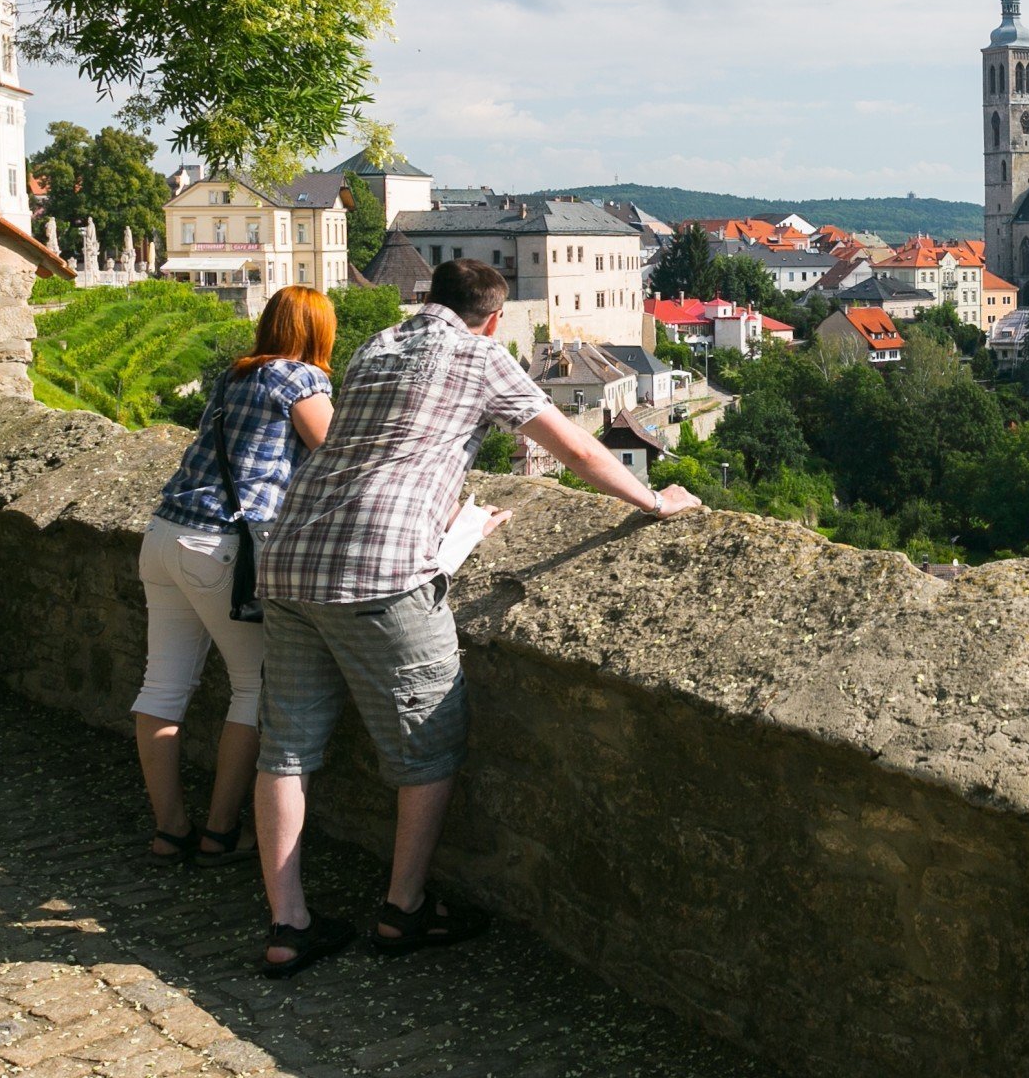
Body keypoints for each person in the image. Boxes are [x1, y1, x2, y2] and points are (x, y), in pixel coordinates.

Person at [251, 258, 700, 977]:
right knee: (428, 742)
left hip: (291, 551)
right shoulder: (484, 354)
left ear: (428, 300)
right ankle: (403, 910)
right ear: (493, 317)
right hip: (379, 566)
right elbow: (579, 448)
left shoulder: (377, 345)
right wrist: (653, 503)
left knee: (287, 746)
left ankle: (287, 922)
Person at [133, 285, 336, 866]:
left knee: (162, 686)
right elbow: (336, 455)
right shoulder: (302, 379)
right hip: (221, 544)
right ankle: (220, 831)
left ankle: (170, 829)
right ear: (318, 332)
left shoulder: (234, 375)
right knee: (256, 686)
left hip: (165, 531)